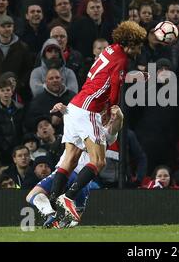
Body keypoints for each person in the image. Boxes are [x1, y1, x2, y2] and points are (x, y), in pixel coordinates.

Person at [48, 21, 147, 222]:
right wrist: (112, 109)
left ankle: (52, 206)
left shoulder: (111, 49)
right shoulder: (122, 59)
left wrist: (131, 77)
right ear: (130, 43)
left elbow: (109, 75)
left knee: (70, 160)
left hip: (74, 107)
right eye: (137, 44)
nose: (139, 48)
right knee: (99, 161)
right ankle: (68, 197)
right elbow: (115, 86)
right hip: (88, 111)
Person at [26, 102, 124, 228]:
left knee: (33, 195)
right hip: (83, 179)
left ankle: (50, 214)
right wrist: (63, 109)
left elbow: (116, 126)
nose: (103, 115)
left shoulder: (104, 133)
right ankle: (54, 217)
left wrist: (119, 117)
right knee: (74, 218)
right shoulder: (89, 124)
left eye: (106, 113)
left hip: (67, 172)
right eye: (102, 112)